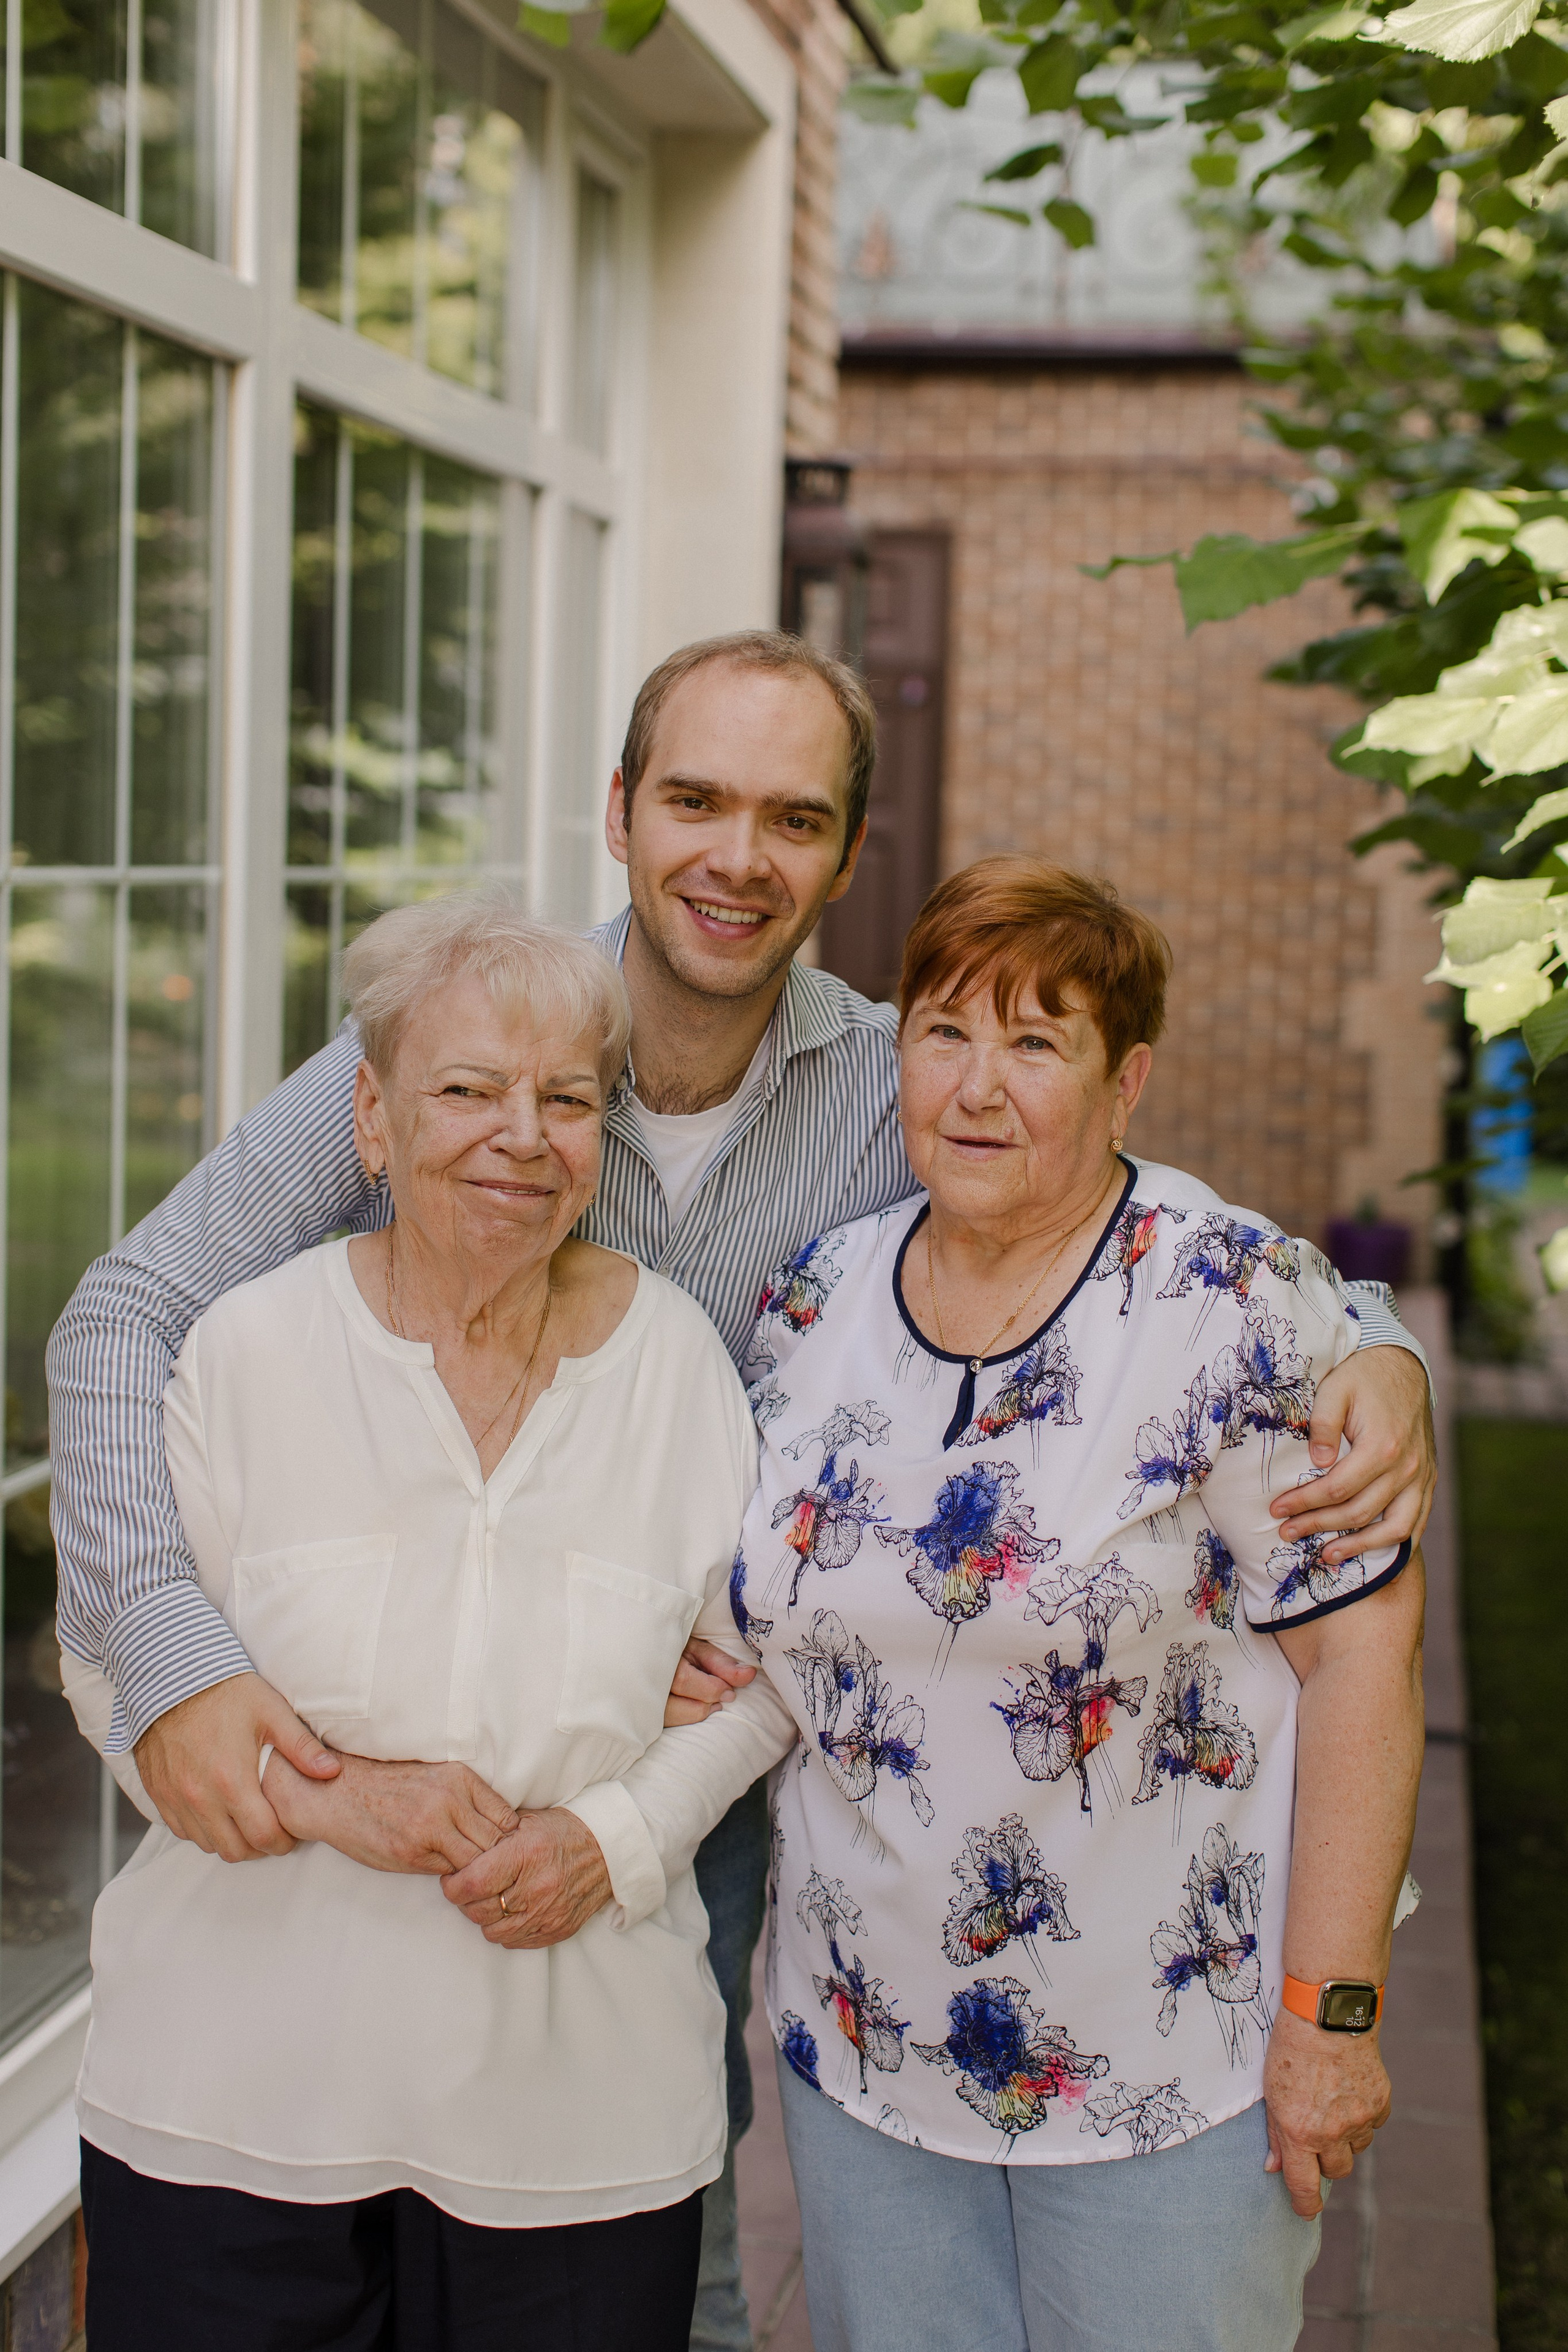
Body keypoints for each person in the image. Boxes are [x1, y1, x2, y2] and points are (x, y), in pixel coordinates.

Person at [48, 632, 1438, 2352]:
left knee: (648, 2228)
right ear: (621, 814)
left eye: (793, 817)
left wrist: (1378, 1351)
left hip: (749, 1801)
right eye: (695, 800)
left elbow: (1167, 1241)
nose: (737, 855)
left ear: (844, 859)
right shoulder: (474, 1036)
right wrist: (175, 1659)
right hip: (420, 1876)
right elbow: (126, 1312)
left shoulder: (901, 1083)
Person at [63, 898, 797, 2350]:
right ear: (373, 1120)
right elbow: (110, 1663)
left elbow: (767, 1679)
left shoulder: (676, 1369)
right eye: (465, 1090)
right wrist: (339, 1804)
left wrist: (618, 1839)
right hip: (230, 2110)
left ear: (603, 1142)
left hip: (575, 2135)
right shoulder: (247, 1350)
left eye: (566, 1101)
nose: (519, 1135)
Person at [727, 857, 1426, 2352]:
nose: (979, 1087)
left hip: (1166, 2072)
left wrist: (1332, 2014)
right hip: (861, 2051)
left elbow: (1364, 1656)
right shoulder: (814, 1298)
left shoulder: (1225, 1304)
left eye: (1037, 1044)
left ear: (1124, 1086)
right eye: (945, 1033)